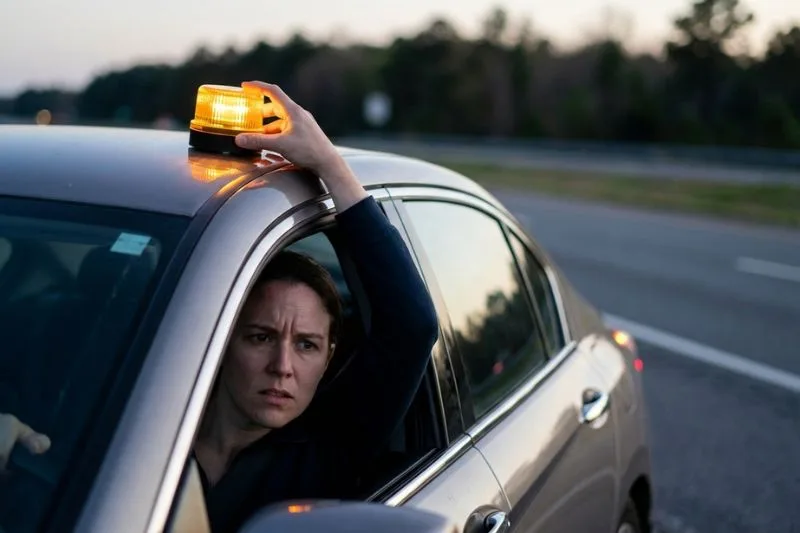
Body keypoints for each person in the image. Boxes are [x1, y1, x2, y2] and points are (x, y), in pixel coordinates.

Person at [0, 81, 439, 533]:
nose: (282, 366)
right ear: (220, 337)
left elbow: (412, 327)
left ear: (329, 356)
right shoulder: (129, 418)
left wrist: (329, 164)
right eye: (261, 337)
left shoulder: (332, 445)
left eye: (306, 345)